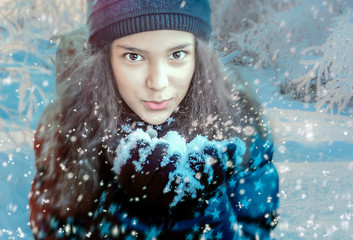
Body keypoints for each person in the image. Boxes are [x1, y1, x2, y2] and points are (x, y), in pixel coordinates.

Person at [29, 0, 279, 239]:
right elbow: (51, 229)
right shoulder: (71, 128)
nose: (158, 82)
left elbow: (255, 231)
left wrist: (199, 208)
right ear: (105, 62)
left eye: (177, 54)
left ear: (199, 56)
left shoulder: (239, 128)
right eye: (134, 56)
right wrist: (131, 215)